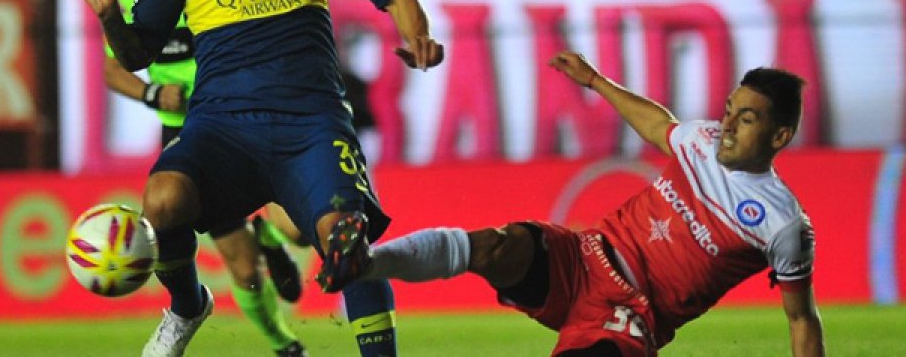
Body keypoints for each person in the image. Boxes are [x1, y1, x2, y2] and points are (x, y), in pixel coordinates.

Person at [75, 0, 444, 357]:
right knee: (162, 198)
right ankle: (185, 307)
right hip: (223, 130)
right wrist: (110, 15)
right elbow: (137, 54)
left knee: (348, 240)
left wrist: (419, 36)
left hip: (311, 127)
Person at [335, 51, 826, 357]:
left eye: (747, 118)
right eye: (728, 110)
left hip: (630, 310)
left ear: (780, 135)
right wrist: (594, 81)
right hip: (584, 257)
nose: (729, 125)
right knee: (496, 247)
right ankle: (366, 262)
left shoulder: (783, 224)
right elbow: (658, 125)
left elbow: (802, 319)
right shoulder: (701, 138)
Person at [101, 0, 307, 357]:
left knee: (299, 230)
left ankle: (273, 232)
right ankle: (286, 346)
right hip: (191, 137)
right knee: (244, 270)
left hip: (248, 118)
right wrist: (153, 92)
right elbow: (114, 66)